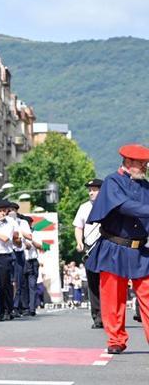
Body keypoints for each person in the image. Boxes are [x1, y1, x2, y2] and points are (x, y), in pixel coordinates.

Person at [84, 144, 149, 354]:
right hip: (114, 246)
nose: (146, 167)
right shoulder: (113, 181)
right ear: (129, 163)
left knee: (147, 296)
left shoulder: (146, 186)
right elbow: (123, 206)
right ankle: (116, 339)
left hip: (141, 249)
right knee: (113, 297)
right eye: (143, 164)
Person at [74, 178, 103, 328]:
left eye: (94, 189)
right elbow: (78, 227)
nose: (91, 192)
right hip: (90, 248)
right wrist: (79, 242)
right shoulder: (84, 207)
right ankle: (97, 317)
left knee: (106, 282)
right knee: (93, 283)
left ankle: (109, 315)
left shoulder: (109, 205)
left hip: (106, 248)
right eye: (90, 190)